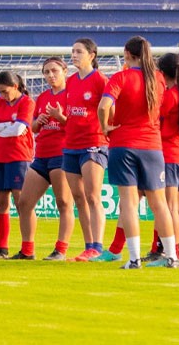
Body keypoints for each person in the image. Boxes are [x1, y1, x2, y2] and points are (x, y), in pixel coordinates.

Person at [97, 36, 179, 269]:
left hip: (123, 143)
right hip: (152, 146)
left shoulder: (120, 77)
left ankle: (133, 259)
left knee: (129, 203)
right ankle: (171, 256)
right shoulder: (159, 78)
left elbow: (104, 105)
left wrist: (105, 127)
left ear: (126, 54)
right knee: (159, 203)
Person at [15, 57, 74, 261]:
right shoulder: (42, 97)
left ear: (65, 71)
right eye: (47, 72)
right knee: (24, 203)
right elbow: (32, 127)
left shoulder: (72, 95)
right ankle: (27, 250)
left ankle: (61, 250)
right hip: (41, 155)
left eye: (54, 71)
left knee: (64, 203)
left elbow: (78, 126)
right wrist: (37, 123)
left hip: (62, 154)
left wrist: (60, 117)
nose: (51, 75)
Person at [62, 38, 110, 262]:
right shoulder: (71, 81)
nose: (74, 55)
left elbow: (110, 108)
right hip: (71, 144)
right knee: (78, 198)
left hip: (93, 143)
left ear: (92, 55)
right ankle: (88, 246)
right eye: (72, 51)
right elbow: (71, 113)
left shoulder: (100, 80)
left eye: (79, 51)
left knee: (92, 196)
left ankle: (98, 247)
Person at [0, 71, 35, 260]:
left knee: (22, 203)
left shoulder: (27, 103)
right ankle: (2, 249)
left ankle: (27, 248)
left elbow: (19, 129)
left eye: (5, 91)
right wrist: (7, 127)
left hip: (19, 156)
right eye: (0, 92)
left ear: (15, 87)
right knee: (1, 203)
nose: (2, 96)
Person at [149, 52, 179, 263]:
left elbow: (159, 121)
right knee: (178, 208)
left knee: (168, 208)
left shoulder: (171, 95)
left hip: (169, 153)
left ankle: (170, 254)